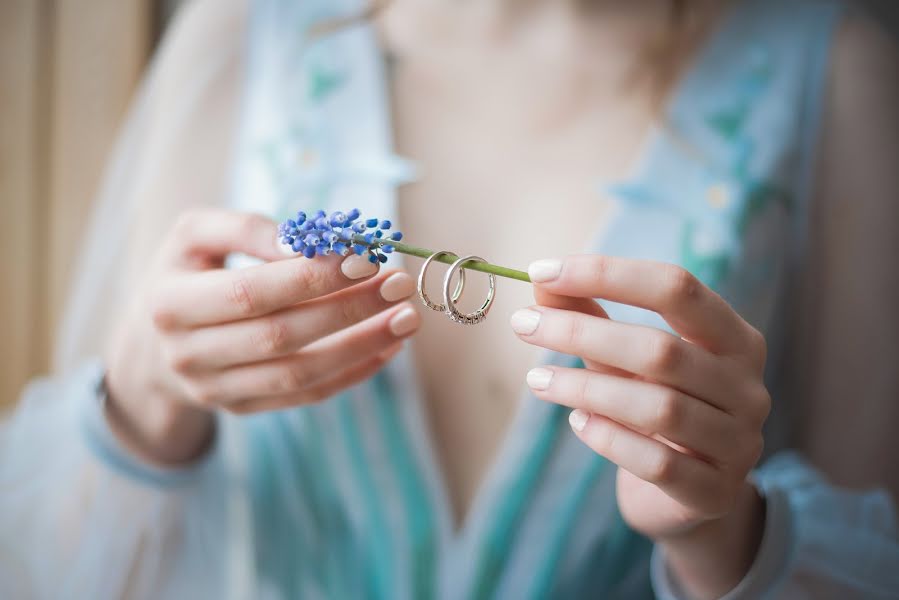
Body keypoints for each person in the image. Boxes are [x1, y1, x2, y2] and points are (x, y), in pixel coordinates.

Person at [2, 0, 898, 597]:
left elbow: (869, 551)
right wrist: (147, 400)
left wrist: (725, 535)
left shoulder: (834, 70)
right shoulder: (249, 33)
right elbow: (53, 568)